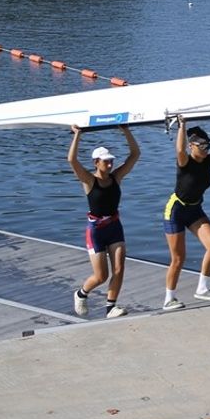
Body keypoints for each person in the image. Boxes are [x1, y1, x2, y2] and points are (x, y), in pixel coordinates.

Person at [162, 116, 210, 311]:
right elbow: (179, 149)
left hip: (195, 209)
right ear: (192, 146)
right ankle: (168, 299)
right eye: (203, 146)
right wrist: (182, 125)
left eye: (208, 145)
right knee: (178, 258)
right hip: (176, 210)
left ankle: (202, 288)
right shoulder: (185, 161)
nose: (206, 150)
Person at [68, 125, 140, 318]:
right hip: (96, 230)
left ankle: (111, 307)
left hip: (114, 226)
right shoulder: (89, 180)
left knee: (119, 268)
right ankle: (81, 293)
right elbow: (72, 160)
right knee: (101, 276)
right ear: (96, 163)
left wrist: (125, 130)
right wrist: (78, 135)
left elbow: (135, 154)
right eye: (106, 162)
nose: (110, 165)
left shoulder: (117, 177)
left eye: (111, 161)